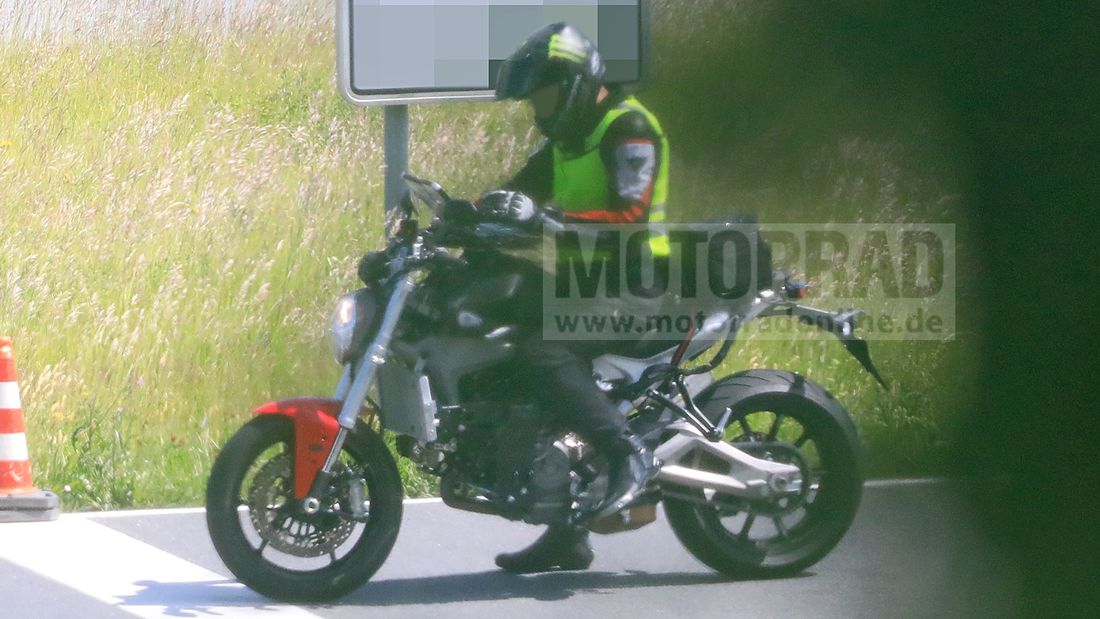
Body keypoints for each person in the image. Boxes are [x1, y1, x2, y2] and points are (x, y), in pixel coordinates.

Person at [481, 22, 671, 574]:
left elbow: (630, 216)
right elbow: (515, 194)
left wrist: (549, 220)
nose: (539, 110)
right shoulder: (566, 138)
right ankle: (566, 530)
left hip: (635, 285)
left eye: (544, 96)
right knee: (502, 337)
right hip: (586, 284)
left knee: (543, 348)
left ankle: (625, 454)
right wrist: (462, 216)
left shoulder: (629, 129)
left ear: (576, 85)